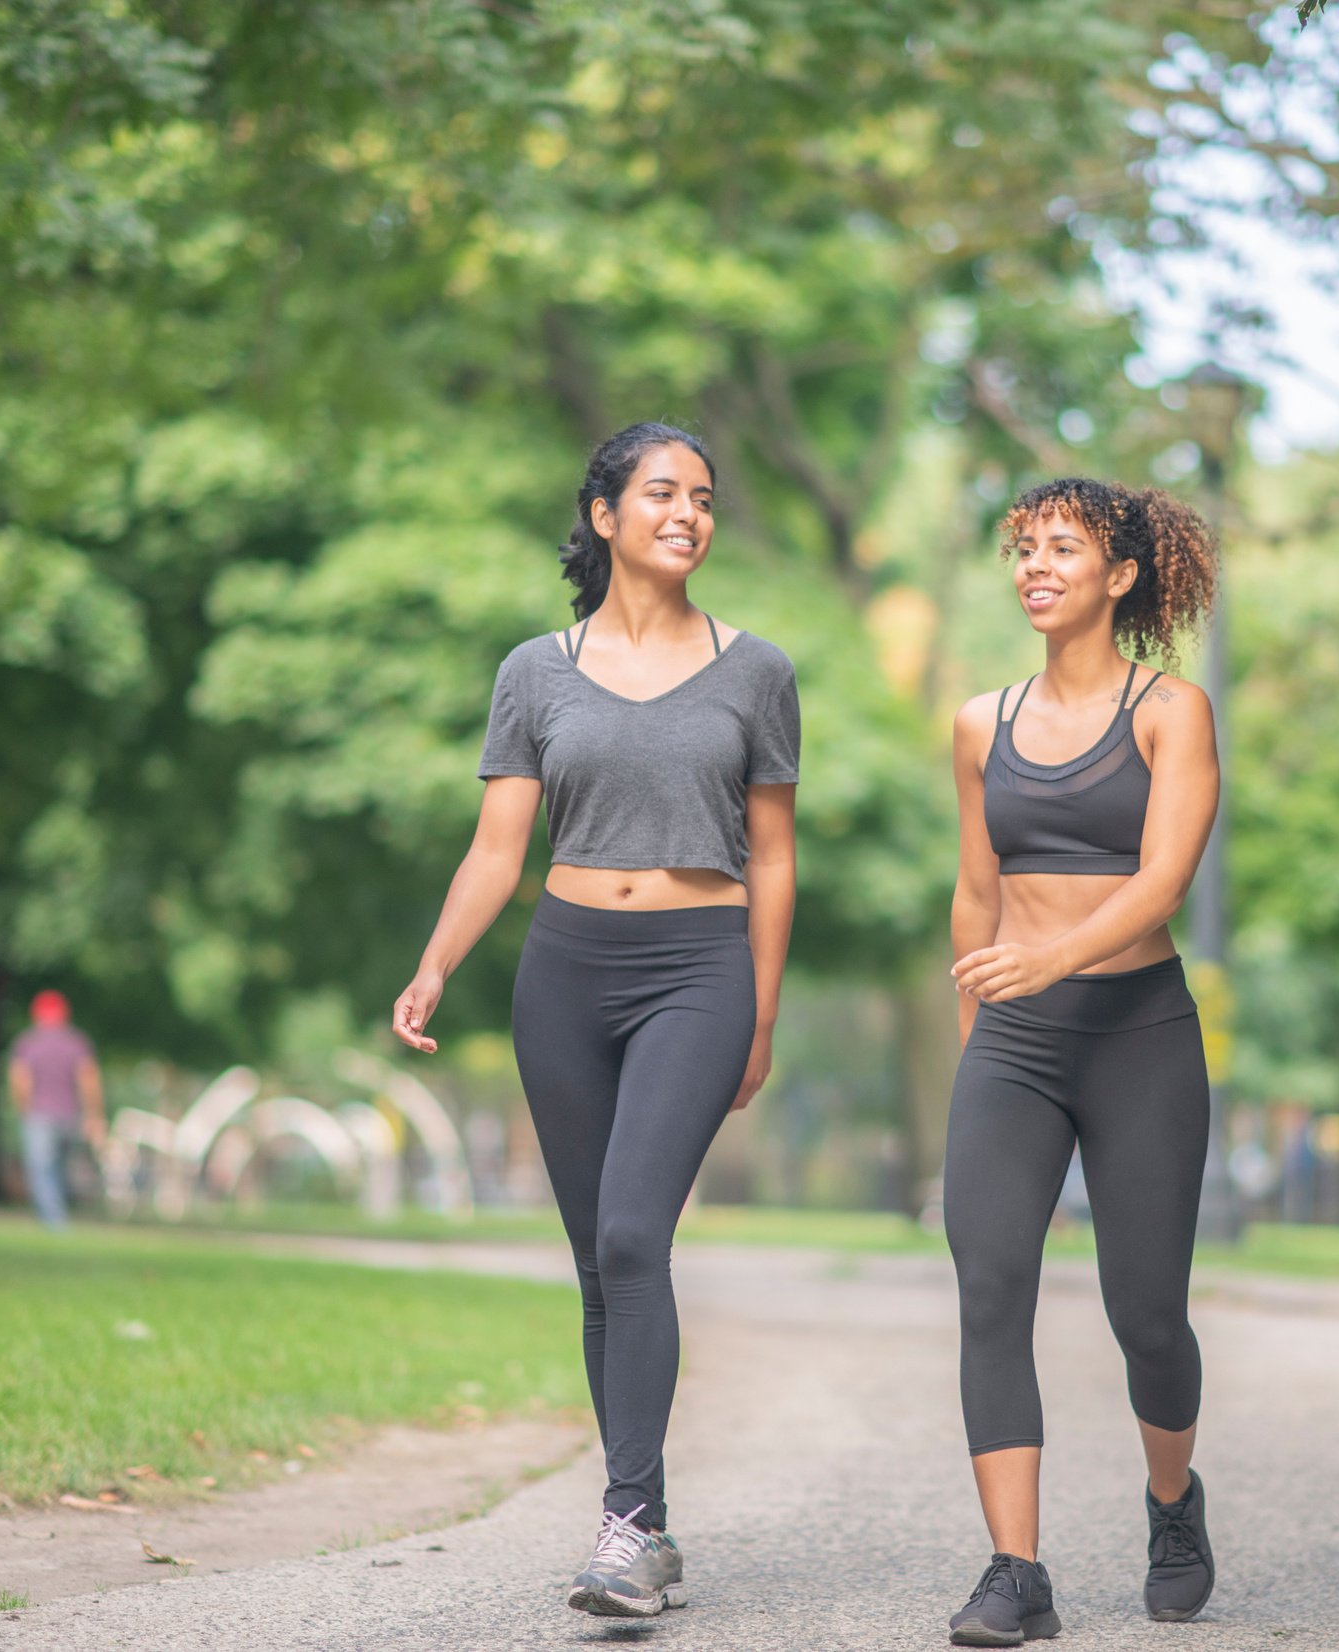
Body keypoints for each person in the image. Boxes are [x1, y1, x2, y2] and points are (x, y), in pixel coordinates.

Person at [390, 421, 797, 1620]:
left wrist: (759, 1011)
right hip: (564, 969)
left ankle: (620, 1528)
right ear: (605, 514)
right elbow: (496, 847)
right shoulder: (533, 670)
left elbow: (772, 857)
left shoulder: (755, 669)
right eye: (662, 492)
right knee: (596, 1264)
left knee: (632, 1233)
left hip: (697, 966)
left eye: (705, 497)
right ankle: (646, 1525)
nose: (688, 512)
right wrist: (433, 965)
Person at [941, 478, 1221, 1645]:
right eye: (1023, 548)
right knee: (992, 1286)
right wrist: (978, 1039)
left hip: (1138, 1036)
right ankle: (1016, 1570)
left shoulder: (1171, 711)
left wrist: (1046, 959)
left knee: (1144, 1312)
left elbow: (1162, 883)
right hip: (1014, 1042)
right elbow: (974, 889)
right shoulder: (976, 721)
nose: (1036, 565)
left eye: (1064, 548)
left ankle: (1172, 1503)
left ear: (1118, 577)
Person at [7, 990, 104, 1231]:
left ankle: (54, 1220)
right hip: (69, 1114)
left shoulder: (28, 1043)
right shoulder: (77, 1043)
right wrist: (94, 1115)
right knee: (58, 1167)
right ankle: (55, 1215)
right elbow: (89, 1080)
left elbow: (20, 1079)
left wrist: (24, 1109)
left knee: (42, 1168)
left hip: (39, 1114)